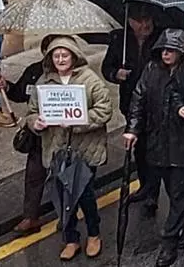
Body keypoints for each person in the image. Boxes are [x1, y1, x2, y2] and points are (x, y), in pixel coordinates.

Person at [25, 36, 114, 261]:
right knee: (62, 197)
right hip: (56, 149)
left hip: (84, 149)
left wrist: (78, 122)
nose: (61, 59)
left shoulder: (90, 79)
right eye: (56, 56)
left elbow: (104, 110)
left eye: (65, 55)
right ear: (50, 59)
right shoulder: (44, 83)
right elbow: (31, 112)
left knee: (84, 194)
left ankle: (94, 234)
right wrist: (35, 123)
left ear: (74, 56)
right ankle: (71, 238)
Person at [123, 30, 184, 267]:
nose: (166, 53)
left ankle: (169, 243)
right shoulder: (151, 71)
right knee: (174, 194)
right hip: (156, 142)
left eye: (171, 50)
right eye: (163, 49)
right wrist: (133, 129)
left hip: (183, 145)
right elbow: (138, 100)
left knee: (179, 193)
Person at [0, 36, 52, 233]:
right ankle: (30, 216)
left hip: (65, 135)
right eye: (51, 53)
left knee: (64, 177)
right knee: (34, 176)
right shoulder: (34, 71)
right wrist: (6, 86)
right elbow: (19, 93)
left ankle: (68, 215)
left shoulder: (78, 74)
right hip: (38, 132)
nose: (57, 59)